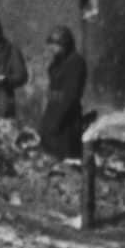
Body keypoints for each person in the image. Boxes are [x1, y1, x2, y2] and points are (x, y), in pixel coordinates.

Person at [36, 26, 87, 156]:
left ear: (65, 45)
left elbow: (70, 96)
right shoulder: (57, 62)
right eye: (51, 44)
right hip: (52, 115)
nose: (52, 48)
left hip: (66, 120)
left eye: (56, 45)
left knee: (64, 159)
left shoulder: (75, 63)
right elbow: (53, 93)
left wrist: (55, 122)